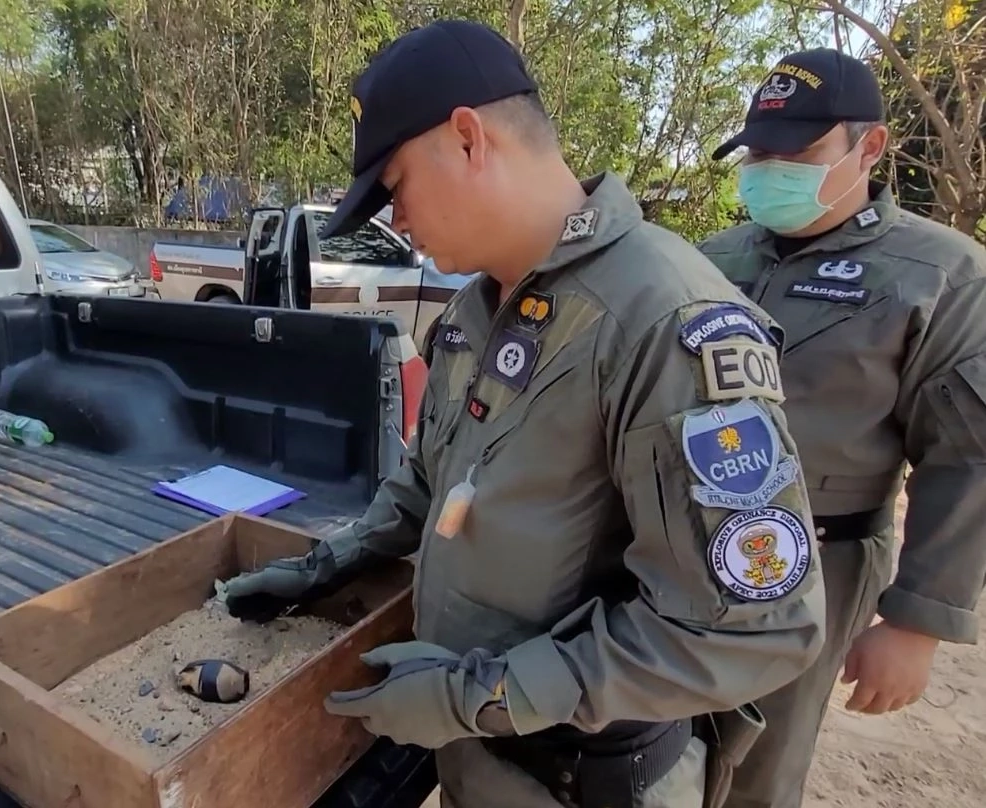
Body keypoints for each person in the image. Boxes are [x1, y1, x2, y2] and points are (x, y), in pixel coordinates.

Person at [223, 19, 826, 808]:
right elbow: (431, 484)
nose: (395, 220)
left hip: (590, 780)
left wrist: (478, 696)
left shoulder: (664, 319)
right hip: (482, 760)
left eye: (396, 187)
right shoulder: (474, 313)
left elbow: (756, 628)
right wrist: (328, 564)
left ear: (468, 138)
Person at [698, 48, 986, 808]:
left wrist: (916, 622)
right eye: (759, 155)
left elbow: (966, 457)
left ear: (871, 147)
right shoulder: (711, 260)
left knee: (752, 769)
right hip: (672, 548)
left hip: (813, 565)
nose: (770, 171)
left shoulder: (939, 276)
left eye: (797, 154)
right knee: (644, 754)